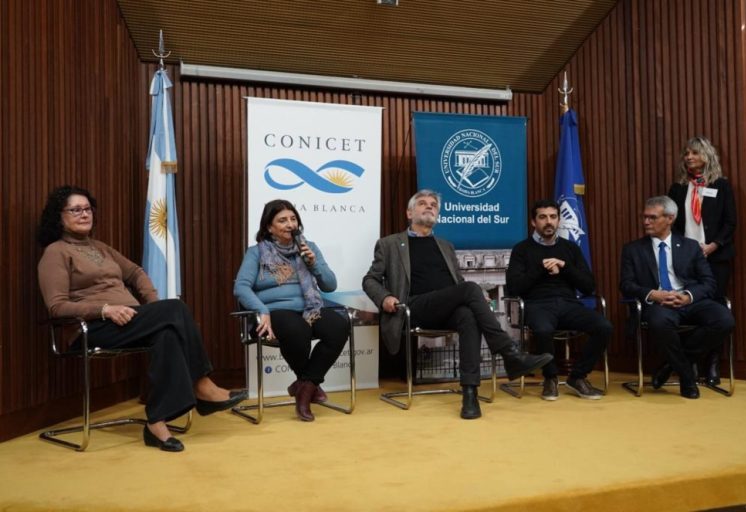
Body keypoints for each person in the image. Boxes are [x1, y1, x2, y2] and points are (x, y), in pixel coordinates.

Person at [37, 185, 247, 452]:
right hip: (92, 328)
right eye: (75, 210)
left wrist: (153, 309)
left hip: (130, 322)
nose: (84, 214)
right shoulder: (55, 253)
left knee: (167, 332)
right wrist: (105, 310)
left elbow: (136, 272)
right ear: (59, 217)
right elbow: (56, 307)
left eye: (87, 208)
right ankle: (203, 387)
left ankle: (156, 424)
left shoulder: (100, 247)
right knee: (175, 311)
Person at [362, 189, 552, 420]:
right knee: (471, 289)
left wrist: (479, 296)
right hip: (413, 307)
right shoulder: (389, 244)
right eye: (422, 203)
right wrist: (384, 298)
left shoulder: (445, 246)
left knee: (468, 316)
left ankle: (469, 393)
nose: (429, 207)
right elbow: (370, 279)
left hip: (445, 308)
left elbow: (458, 283)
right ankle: (509, 353)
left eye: (433, 204)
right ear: (409, 213)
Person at [234, 199, 348, 422]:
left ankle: (304, 385)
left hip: (310, 306)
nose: (289, 224)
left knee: (338, 326)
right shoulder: (257, 252)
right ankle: (308, 391)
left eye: (293, 219)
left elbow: (330, 285)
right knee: (298, 331)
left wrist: (314, 264)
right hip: (275, 311)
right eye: (282, 220)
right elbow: (241, 287)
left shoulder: (309, 248)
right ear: (269, 227)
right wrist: (261, 310)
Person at [619, 196, 734, 399]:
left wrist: (688, 296)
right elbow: (626, 285)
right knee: (659, 322)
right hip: (659, 303)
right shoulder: (633, 249)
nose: (646, 222)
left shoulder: (690, 246)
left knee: (724, 320)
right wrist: (652, 294)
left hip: (690, 301)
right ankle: (687, 378)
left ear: (670, 218)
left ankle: (671, 365)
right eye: (644, 217)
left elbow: (709, 282)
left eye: (652, 218)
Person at [505, 199, 612, 401]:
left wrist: (565, 266)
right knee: (544, 330)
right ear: (533, 222)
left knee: (603, 326)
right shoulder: (522, 249)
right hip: (537, 305)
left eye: (553, 217)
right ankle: (550, 378)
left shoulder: (570, 249)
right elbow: (515, 287)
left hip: (569, 304)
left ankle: (578, 377)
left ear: (559, 220)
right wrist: (540, 267)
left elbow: (589, 286)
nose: (549, 222)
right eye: (543, 217)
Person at [667, 136, 736, 385]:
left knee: (715, 310)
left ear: (706, 156)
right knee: (689, 306)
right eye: (686, 153)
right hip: (686, 259)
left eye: (694, 153)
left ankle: (713, 362)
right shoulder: (677, 188)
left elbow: (730, 222)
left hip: (715, 258)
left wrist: (713, 245)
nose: (688, 157)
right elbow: (670, 223)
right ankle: (692, 362)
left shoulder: (721, 185)